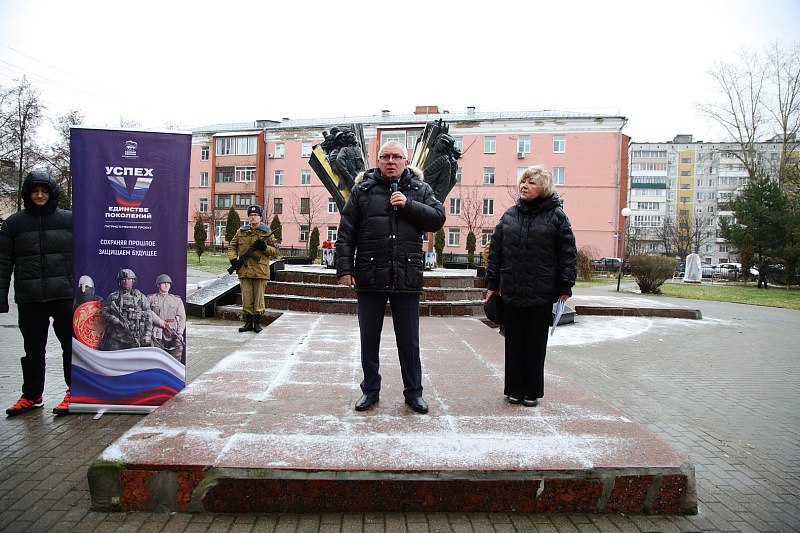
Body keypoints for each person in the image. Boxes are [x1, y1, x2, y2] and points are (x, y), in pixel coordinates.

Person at [335, 141, 446, 414]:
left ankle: (414, 393)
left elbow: (437, 219)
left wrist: (408, 205)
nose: (391, 161)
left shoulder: (420, 190)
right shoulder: (362, 191)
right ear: (378, 160)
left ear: (406, 162)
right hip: (370, 275)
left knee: (409, 341)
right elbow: (346, 233)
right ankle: (370, 390)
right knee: (369, 338)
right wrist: (345, 269)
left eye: (397, 157)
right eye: (385, 156)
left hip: (406, 275)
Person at [485, 165, 577, 407]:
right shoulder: (509, 216)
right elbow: (495, 253)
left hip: (541, 293)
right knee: (513, 343)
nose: (524, 186)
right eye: (523, 181)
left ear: (543, 188)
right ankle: (514, 389)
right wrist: (492, 284)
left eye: (531, 182)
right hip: (512, 291)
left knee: (535, 345)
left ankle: (532, 391)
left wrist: (565, 285)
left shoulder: (557, 217)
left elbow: (567, 253)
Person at [0, 171, 73, 416]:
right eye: (34, 191)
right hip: (30, 298)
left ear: (52, 193)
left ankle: (74, 391)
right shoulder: (14, 224)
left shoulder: (68, 220)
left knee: (70, 348)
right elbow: (3, 263)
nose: (40, 195)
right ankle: (32, 395)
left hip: (63, 295)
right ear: (27, 194)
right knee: (32, 350)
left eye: (44, 191)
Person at [227, 205, 279, 333]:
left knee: (259, 298)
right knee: (247, 298)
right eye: (251, 215)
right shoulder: (241, 231)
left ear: (260, 217)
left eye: (255, 215)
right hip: (245, 270)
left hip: (260, 270)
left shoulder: (266, 232)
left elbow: (276, 251)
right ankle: (248, 323)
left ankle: (257, 323)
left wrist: (264, 248)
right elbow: (232, 247)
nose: (253, 217)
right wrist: (234, 260)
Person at [98, 269, 153, 350]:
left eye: (129, 279)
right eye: (123, 279)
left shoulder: (140, 297)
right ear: (120, 281)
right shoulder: (113, 297)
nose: (126, 281)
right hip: (116, 337)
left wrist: (147, 334)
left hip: (135, 336)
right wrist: (112, 318)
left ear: (133, 280)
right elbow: (104, 312)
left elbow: (149, 316)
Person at [148, 274, 186, 362]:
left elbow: (182, 317)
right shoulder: (151, 298)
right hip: (156, 334)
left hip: (172, 333)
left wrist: (180, 333)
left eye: (168, 283)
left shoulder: (176, 300)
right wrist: (158, 321)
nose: (166, 285)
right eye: (163, 283)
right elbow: (147, 311)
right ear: (158, 285)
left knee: (176, 353)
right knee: (156, 356)